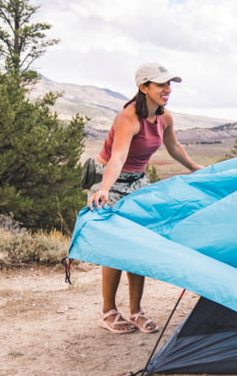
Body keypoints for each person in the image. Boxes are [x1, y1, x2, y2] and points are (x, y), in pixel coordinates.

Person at [87, 62, 204, 334]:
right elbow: (117, 157)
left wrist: (193, 167)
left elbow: (173, 146)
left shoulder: (165, 117)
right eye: (161, 84)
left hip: (138, 180)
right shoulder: (128, 118)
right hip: (109, 178)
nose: (167, 89)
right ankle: (108, 312)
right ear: (143, 87)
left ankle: (136, 311)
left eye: (169, 84)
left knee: (138, 244)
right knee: (115, 246)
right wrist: (104, 189)